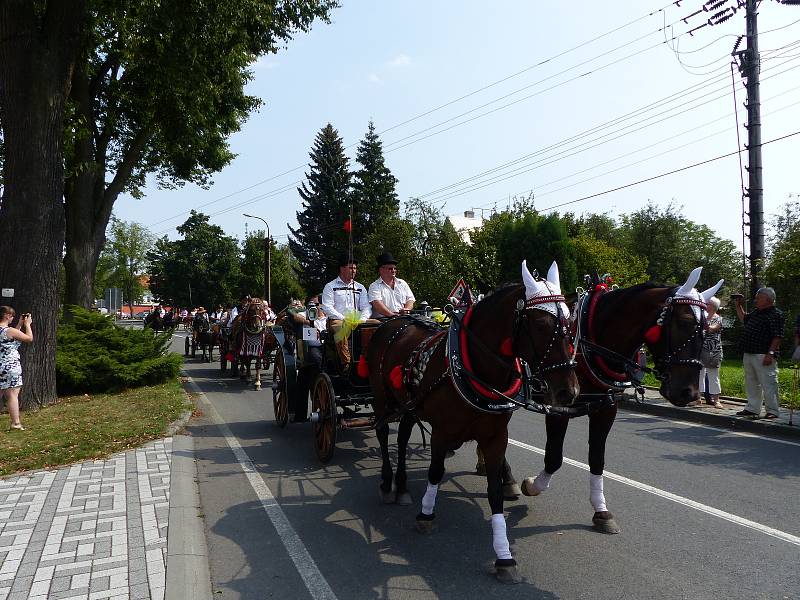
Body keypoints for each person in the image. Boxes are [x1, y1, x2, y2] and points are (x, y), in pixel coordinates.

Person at [733, 287, 784, 419]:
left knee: (768, 383)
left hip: (764, 354)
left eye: (758, 298)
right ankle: (752, 408)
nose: (755, 300)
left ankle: (772, 410)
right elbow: (744, 319)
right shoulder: (757, 312)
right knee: (751, 382)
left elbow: (777, 336)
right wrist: (738, 305)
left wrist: (770, 353)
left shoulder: (775, 314)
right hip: (749, 352)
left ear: (768, 299)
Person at [321, 253, 371, 371]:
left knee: (377, 325)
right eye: (350, 268)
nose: (354, 270)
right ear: (342, 268)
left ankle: (371, 358)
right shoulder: (330, 286)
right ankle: (347, 364)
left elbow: (366, 307)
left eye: (355, 268)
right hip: (337, 320)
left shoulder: (360, 287)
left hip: (358, 320)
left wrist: (363, 319)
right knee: (340, 328)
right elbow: (327, 308)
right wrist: (344, 318)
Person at [0, 306, 33, 431]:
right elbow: (29, 338)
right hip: (10, 367)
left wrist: (19, 323)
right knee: (12, 395)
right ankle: (16, 423)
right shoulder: (9, 331)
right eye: (12, 316)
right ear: (7, 315)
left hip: (0, 366)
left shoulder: (6, 331)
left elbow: (11, 339)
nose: (12, 318)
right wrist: (28, 324)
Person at [368, 252, 415, 318]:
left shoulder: (402, 283)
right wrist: (392, 315)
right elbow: (377, 305)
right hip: (383, 321)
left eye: (395, 268)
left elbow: (410, 299)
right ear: (381, 270)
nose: (393, 271)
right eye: (390, 269)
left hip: (403, 319)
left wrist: (407, 309)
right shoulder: (374, 286)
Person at [699, 296, 724, 408]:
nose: (705, 305)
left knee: (713, 375)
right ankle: (698, 397)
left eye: (707, 304)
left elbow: (712, 328)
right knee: (700, 374)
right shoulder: (701, 317)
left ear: (713, 306)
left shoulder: (718, 319)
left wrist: (702, 323)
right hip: (701, 350)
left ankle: (716, 400)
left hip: (714, 351)